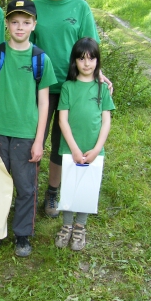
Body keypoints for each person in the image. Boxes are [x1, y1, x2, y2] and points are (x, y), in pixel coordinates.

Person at [31, 0, 111, 218]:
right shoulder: (35, 6)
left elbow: (91, 47)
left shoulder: (80, 8)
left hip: (71, 88)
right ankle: (27, 191)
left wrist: (98, 74)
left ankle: (52, 193)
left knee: (61, 141)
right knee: (33, 139)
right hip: (38, 86)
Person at [0, 0, 57, 257]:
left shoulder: (40, 59)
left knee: (25, 187)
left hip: (26, 134)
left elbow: (45, 103)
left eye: (26, 22)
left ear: (34, 25)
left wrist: (39, 141)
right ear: (7, 24)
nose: (20, 27)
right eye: (14, 22)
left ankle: (22, 234)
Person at [55, 37, 115, 251]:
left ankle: (80, 226)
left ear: (97, 61)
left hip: (93, 150)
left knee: (87, 187)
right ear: (75, 62)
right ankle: (67, 225)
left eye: (91, 59)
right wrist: (73, 148)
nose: (87, 64)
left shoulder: (101, 88)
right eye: (82, 59)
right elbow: (62, 120)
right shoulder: (68, 87)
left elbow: (106, 120)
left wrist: (97, 148)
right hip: (71, 148)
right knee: (71, 186)